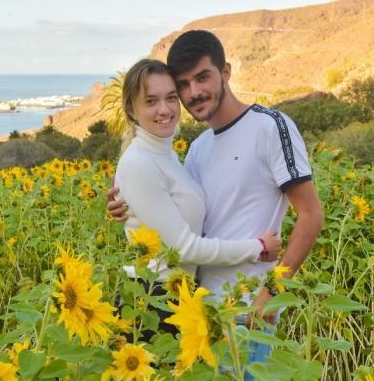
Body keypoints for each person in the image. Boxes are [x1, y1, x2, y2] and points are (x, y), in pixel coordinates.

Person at [110, 32, 324, 325]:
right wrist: (128, 207)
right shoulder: (198, 148)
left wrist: (273, 292)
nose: (193, 92)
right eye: (183, 85)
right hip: (197, 312)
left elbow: (311, 214)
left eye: (202, 77)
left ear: (225, 73)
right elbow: (180, 220)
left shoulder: (270, 127)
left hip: (248, 309)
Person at [115, 58, 281, 305]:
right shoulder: (139, 163)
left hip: (177, 294)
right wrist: (257, 248)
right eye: (151, 101)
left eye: (171, 98)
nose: (165, 109)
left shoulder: (167, 156)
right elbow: (184, 248)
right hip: (150, 300)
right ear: (131, 109)